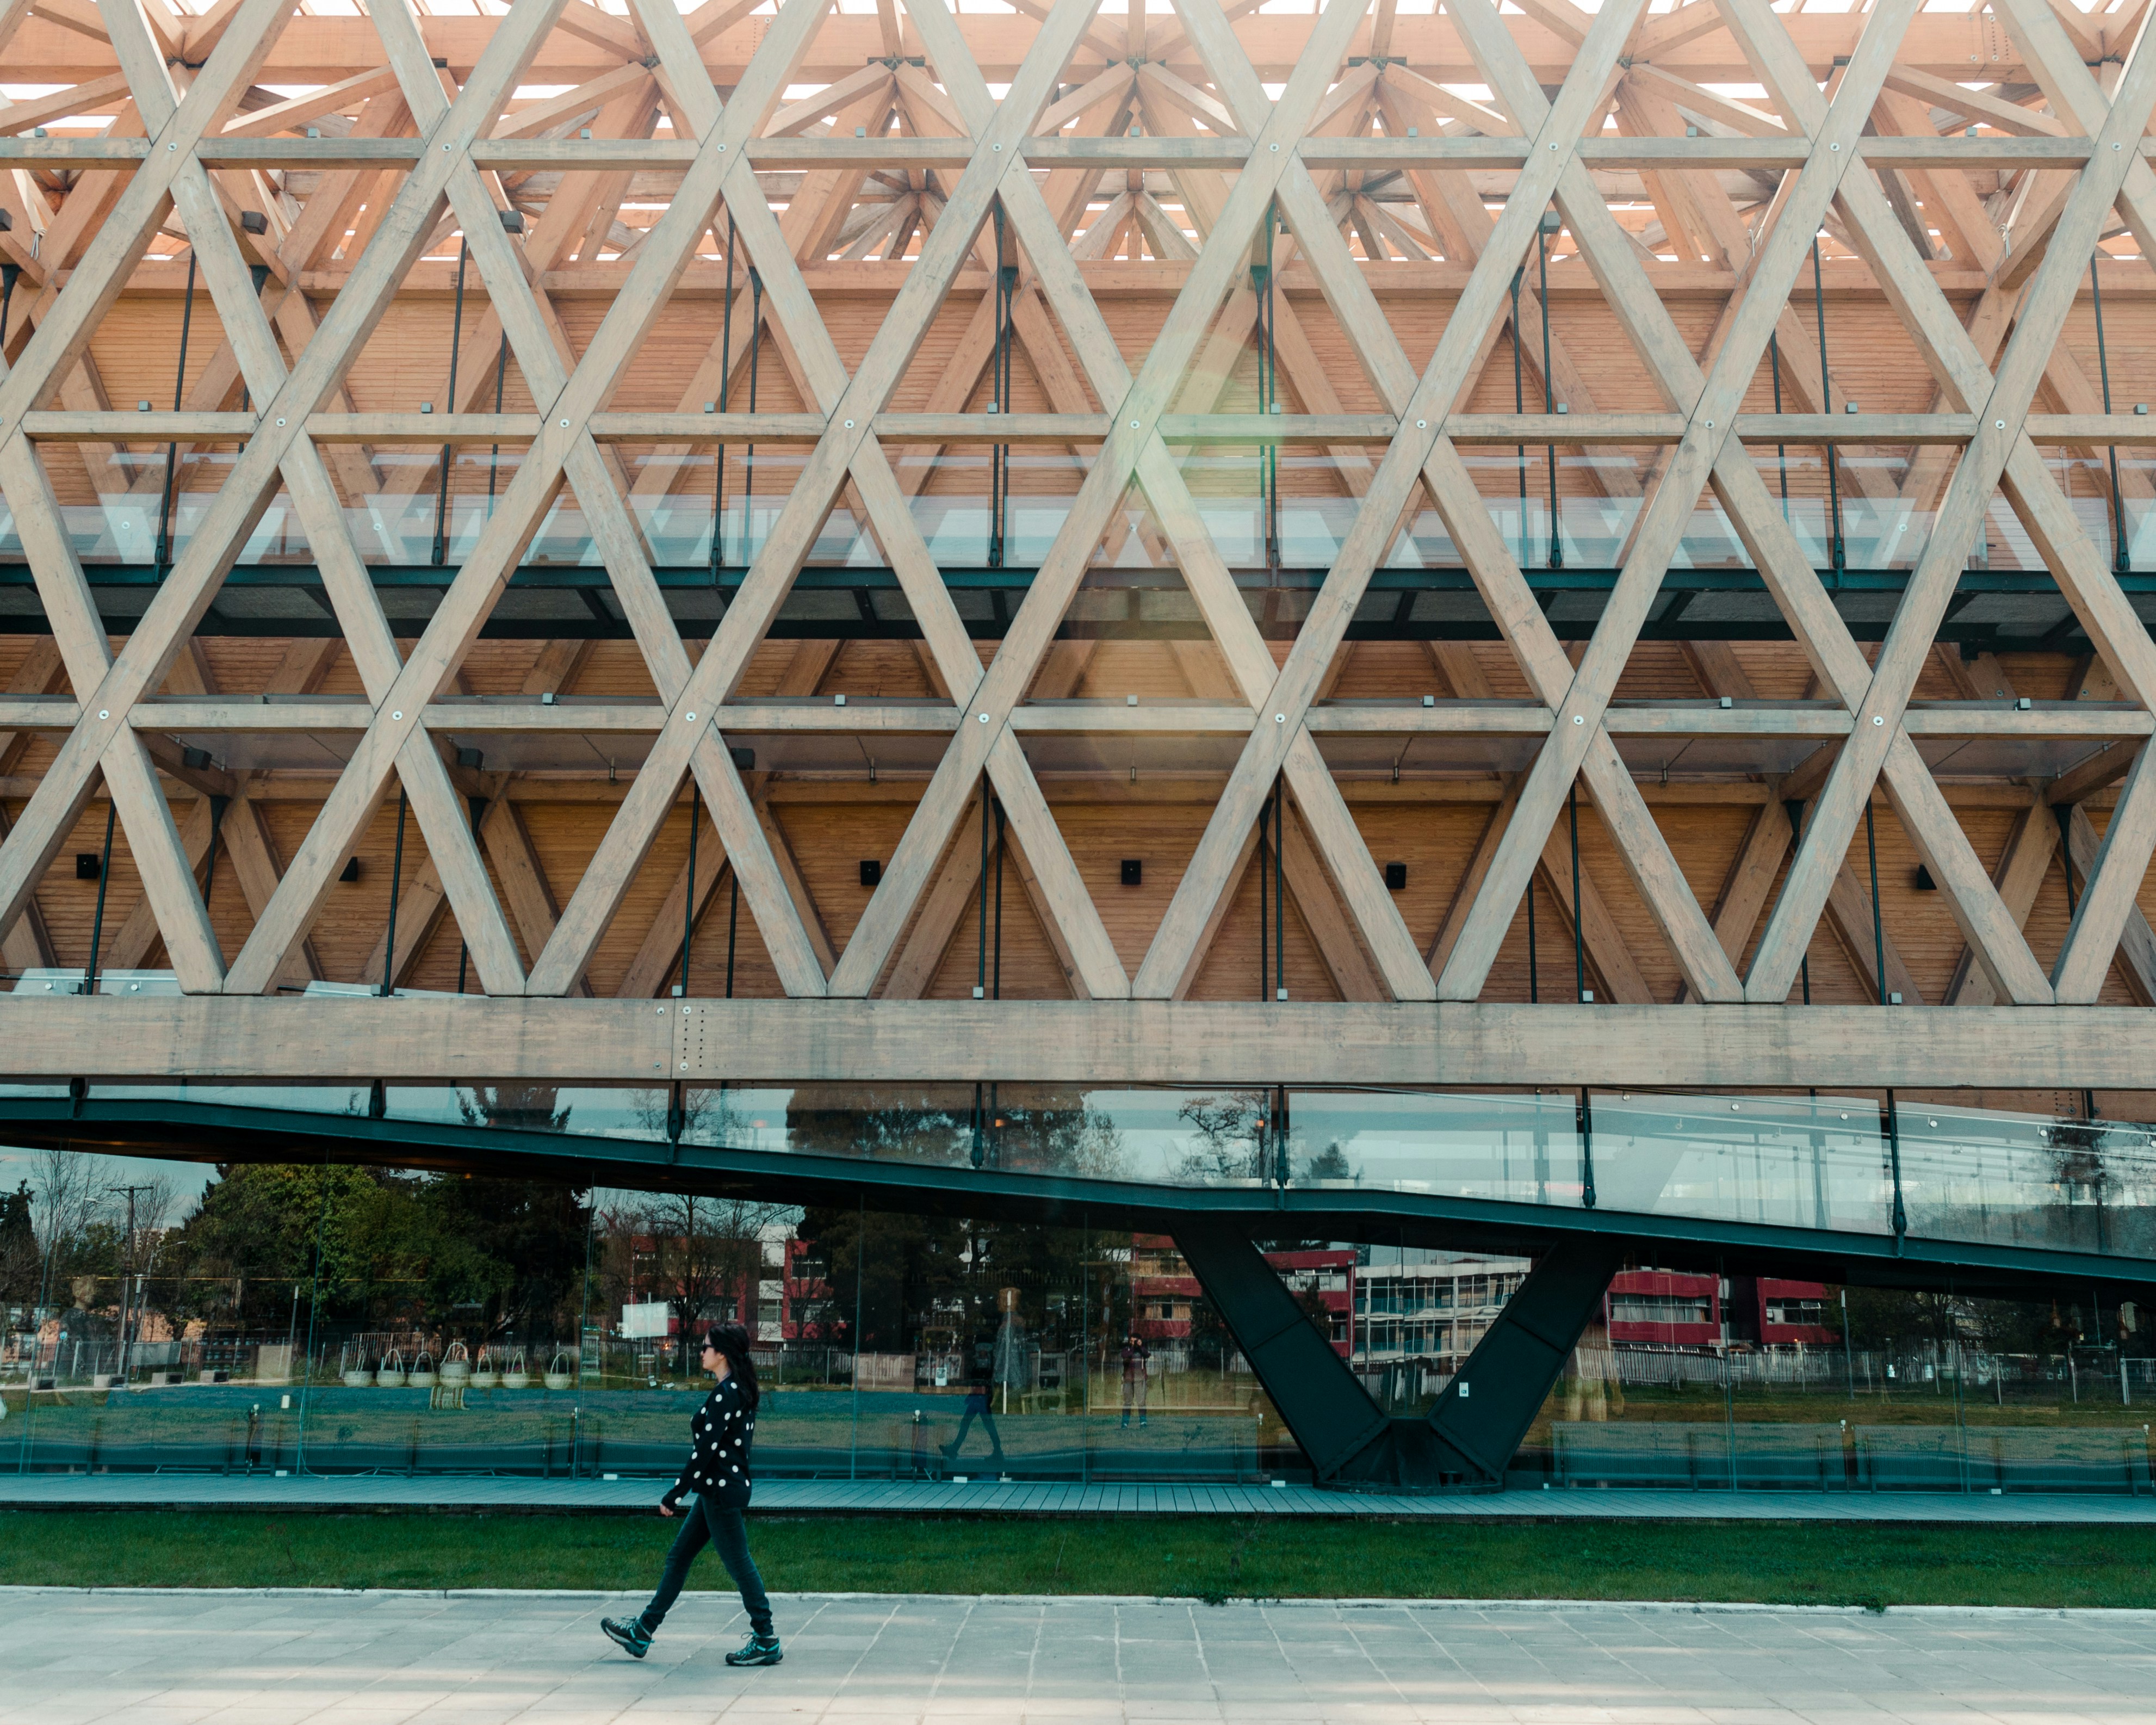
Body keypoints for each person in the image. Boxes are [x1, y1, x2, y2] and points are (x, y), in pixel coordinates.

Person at [602, 1324, 781, 1668]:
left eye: (706, 1347)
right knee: (679, 1557)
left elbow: (705, 1453)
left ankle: (767, 1639)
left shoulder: (727, 1394)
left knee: (740, 1564)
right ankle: (642, 1632)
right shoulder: (734, 1390)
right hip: (715, 1491)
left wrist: (675, 1494)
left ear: (722, 1353)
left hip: (718, 1493)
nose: (701, 1352)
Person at [940, 1325, 1006, 1468]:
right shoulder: (987, 1362)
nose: (982, 1352)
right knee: (981, 1425)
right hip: (979, 1396)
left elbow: (983, 1377)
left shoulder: (988, 1363)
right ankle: (997, 1451)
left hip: (981, 1396)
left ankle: (956, 1450)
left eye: (983, 1349)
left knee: (980, 1425)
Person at [1119, 1331, 1150, 1429]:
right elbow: (1125, 1355)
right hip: (1128, 1379)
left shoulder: (1142, 1350)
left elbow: (1147, 1354)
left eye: (1135, 1341)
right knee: (1128, 1402)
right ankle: (1125, 1423)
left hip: (1140, 1379)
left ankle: (1143, 1422)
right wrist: (1133, 1348)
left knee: (1141, 1402)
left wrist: (1140, 1347)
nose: (1133, 1343)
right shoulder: (1127, 1349)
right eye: (1132, 1341)